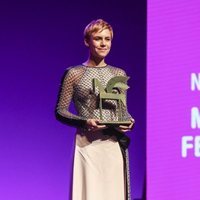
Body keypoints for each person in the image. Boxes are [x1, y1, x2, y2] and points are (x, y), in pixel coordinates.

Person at [55, 19, 134, 200]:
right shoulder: (74, 73)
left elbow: (122, 110)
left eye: (107, 39)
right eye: (98, 38)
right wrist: (84, 121)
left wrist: (128, 121)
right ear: (87, 41)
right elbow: (60, 110)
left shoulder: (118, 74)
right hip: (87, 144)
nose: (103, 43)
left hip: (112, 145)